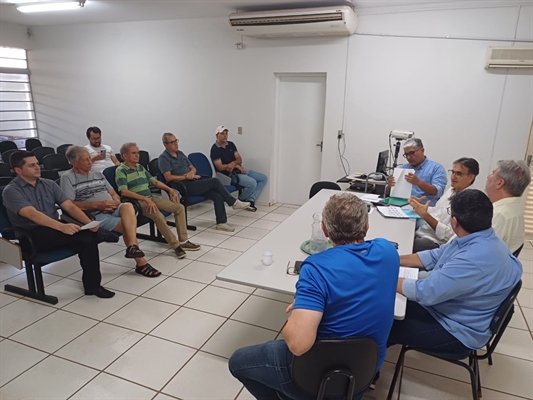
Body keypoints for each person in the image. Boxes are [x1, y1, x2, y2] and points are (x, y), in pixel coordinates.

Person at [228, 193, 399, 400]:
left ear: (325, 230)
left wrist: (299, 309)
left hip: (313, 379)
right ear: (367, 227)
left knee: (237, 362)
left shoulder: (316, 267)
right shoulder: (388, 252)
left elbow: (298, 345)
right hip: (363, 375)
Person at [389, 189, 522, 360]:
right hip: (448, 308)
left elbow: (426, 292)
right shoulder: (480, 237)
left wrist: (385, 277)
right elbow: (434, 256)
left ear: (454, 221)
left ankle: (369, 368)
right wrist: (392, 260)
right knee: (386, 304)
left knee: (380, 322)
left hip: (456, 330)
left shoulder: (473, 258)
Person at [3, 150, 115, 298]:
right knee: (87, 238)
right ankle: (92, 285)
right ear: (18, 170)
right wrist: (62, 227)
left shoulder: (48, 184)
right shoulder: (11, 191)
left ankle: (93, 286)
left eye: (37, 163)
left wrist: (89, 222)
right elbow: (32, 214)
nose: (37, 167)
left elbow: (69, 206)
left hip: (53, 229)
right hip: (30, 235)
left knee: (88, 238)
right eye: (31, 165)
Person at [61, 145, 161, 278]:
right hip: (95, 215)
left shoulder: (97, 173)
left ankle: (132, 247)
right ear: (73, 162)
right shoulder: (67, 178)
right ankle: (141, 263)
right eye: (85, 160)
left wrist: (116, 201)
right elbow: (70, 205)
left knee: (127, 206)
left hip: (112, 207)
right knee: (127, 226)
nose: (90, 162)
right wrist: (98, 205)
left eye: (90, 158)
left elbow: (113, 193)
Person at [115, 142, 200, 259]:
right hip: (138, 202)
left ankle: (183, 241)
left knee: (179, 207)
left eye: (138, 153)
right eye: (133, 153)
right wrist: (145, 199)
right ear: (125, 156)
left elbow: (154, 182)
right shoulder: (121, 170)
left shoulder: (140, 167)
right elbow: (124, 192)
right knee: (159, 217)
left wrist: (169, 189)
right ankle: (175, 246)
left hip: (150, 198)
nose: (137, 155)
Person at [158, 133, 250, 232]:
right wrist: (185, 176)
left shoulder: (180, 153)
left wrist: (191, 173)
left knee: (217, 195)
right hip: (183, 186)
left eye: (176, 141)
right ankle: (233, 202)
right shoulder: (163, 158)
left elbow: (193, 168)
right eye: (172, 142)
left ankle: (221, 223)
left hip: (193, 181)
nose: (176, 144)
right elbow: (168, 177)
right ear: (165, 144)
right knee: (214, 181)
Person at [410, 157, 479, 252]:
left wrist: (425, 216)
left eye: (459, 174)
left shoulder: (469, 201)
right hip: (424, 232)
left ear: (471, 177)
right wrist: (419, 206)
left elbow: (450, 235)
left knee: (402, 244)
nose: (453, 177)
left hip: (436, 242)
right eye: (453, 172)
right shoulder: (451, 190)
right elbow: (437, 211)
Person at [210, 125, 268, 212]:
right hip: (229, 175)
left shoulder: (231, 144)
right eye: (222, 133)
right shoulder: (215, 149)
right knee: (252, 183)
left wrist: (234, 164)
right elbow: (220, 167)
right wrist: (236, 165)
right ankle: (240, 201)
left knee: (263, 178)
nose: (225, 136)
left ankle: (250, 200)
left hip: (239, 170)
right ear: (217, 135)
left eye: (226, 133)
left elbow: (239, 159)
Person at [485, 160, 531, 254]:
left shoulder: (500, 214)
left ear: (500, 183)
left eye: (492, 173)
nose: (488, 177)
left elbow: (481, 251)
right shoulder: (514, 208)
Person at [387, 138, 447, 206]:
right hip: (400, 205)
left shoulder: (436, 168)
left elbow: (437, 192)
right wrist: (389, 186)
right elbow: (388, 192)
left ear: (422, 150)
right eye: (406, 155)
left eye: (411, 153)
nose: (408, 157)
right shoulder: (403, 168)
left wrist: (418, 182)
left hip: (424, 208)